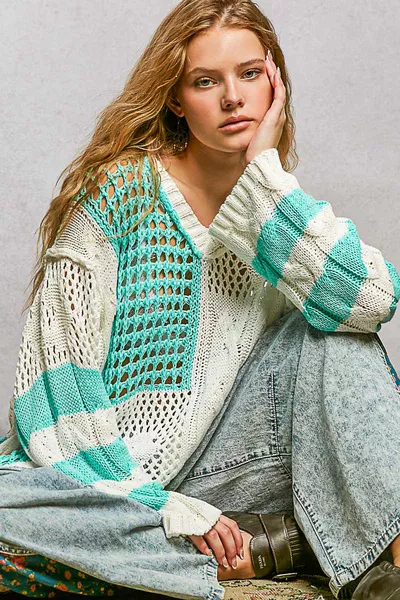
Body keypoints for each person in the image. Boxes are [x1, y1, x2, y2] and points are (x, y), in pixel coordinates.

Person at [0, 1, 400, 599]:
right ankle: (261, 548)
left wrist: (266, 180)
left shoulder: (275, 208)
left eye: (250, 74)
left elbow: (373, 300)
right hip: (107, 477)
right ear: (176, 99)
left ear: (276, 83)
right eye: (206, 81)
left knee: (335, 335)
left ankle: (384, 564)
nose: (233, 98)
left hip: (234, 467)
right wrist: (155, 504)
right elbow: (56, 389)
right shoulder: (120, 195)